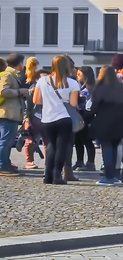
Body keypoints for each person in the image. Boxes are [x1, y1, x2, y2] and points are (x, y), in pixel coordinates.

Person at [35, 56, 81, 184]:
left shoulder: (42, 80)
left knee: (51, 145)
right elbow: (73, 104)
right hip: (64, 118)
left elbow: (36, 100)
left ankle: (47, 175)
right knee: (62, 147)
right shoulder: (72, 83)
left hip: (47, 118)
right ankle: (57, 175)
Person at [0, 57, 23, 176]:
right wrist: (19, 92)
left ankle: (6, 163)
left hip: (10, 112)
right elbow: (3, 91)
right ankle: (2, 165)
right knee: (5, 141)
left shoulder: (11, 74)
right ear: (19, 63)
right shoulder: (8, 75)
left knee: (8, 141)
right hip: (7, 112)